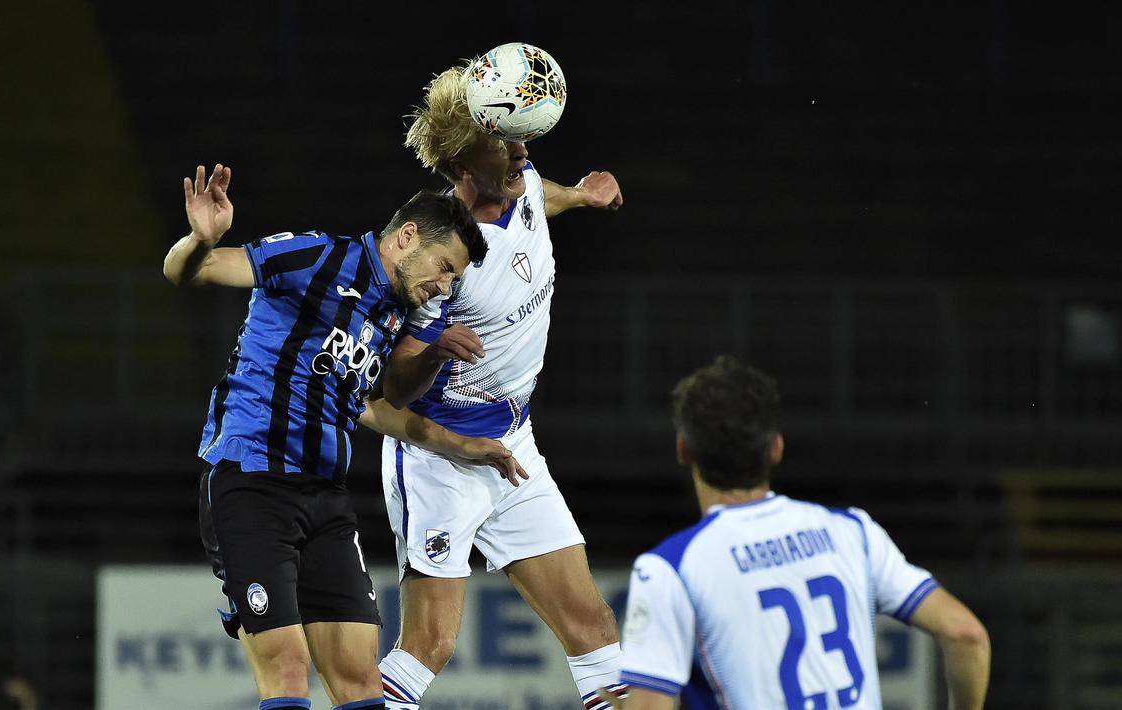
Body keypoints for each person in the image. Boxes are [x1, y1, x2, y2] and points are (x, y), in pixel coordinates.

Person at [164, 164, 522, 710]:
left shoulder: (393, 312)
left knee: (360, 680)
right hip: (253, 481)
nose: (445, 287)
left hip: (325, 499)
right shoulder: (316, 256)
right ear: (407, 236)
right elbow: (189, 272)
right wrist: (199, 240)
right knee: (287, 666)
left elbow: (372, 407)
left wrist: (465, 445)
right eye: (445, 268)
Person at [375, 60, 628, 710]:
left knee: (593, 626)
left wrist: (583, 194)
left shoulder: (526, 183)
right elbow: (392, 389)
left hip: (513, 445)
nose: (522, 154)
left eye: (521, 141)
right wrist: (435, 350)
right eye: (505, 145)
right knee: (428, 646)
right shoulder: (445, 251)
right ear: (464, 163)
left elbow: (543, 199)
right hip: (440, 458)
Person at [600, 355, 991, 710]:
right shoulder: (853, 532)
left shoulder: (672, 569)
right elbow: (966, 634)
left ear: (683, 449)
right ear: (776, 448)